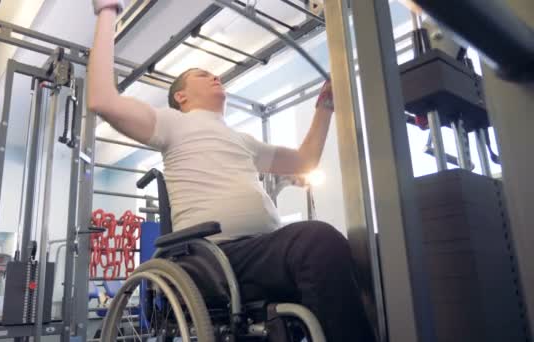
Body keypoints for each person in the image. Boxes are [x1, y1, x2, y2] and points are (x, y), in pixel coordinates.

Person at [88, 1, 376, 341]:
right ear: (180, 96)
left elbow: (305, 161)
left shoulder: (243, 140)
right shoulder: (172, 123)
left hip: (264, 250)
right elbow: (102, 100)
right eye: (201, 75)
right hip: (214, 259)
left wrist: (325, 106)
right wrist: (107, 11)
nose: (215, 75)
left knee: (366, 252)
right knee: (318, 242)